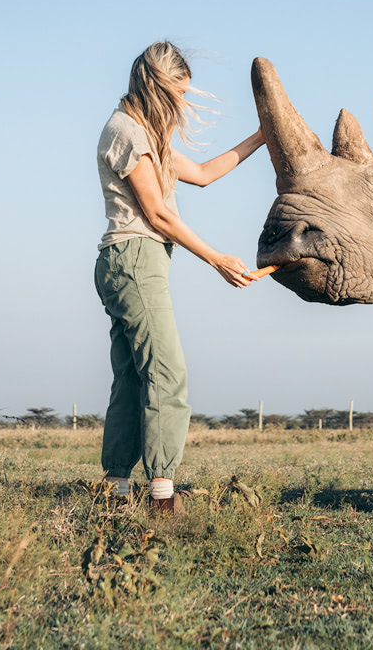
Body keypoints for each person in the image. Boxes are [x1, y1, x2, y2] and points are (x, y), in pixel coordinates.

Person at [94, 40, 265, 513]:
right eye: (178, 93)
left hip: (126, 261)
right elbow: (157, 214)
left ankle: (114, 495)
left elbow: (207, 174)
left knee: (131, 379)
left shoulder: (146, 135)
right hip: (135, 259)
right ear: (155, 85)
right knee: (168, 375)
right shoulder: (127, 131)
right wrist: (216, 259)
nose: (182, 103)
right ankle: (162, 502)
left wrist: (261, 136)